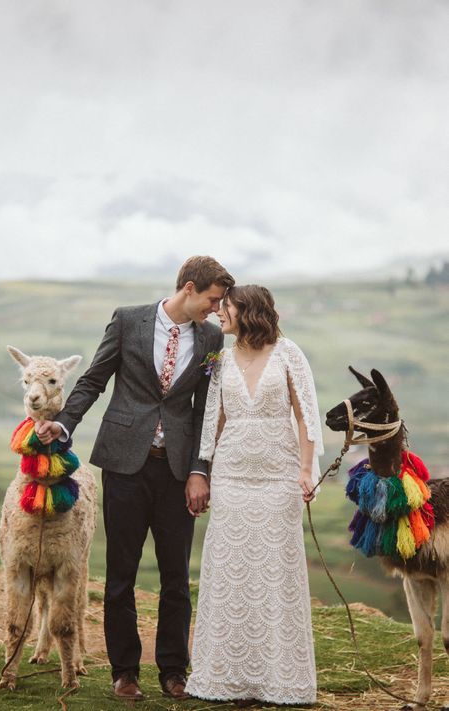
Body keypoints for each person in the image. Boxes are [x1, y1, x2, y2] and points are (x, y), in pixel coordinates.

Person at [35, 256, 235, 701]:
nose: (216, 309)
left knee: (176, 577)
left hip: (179, 471)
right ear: (188, 287)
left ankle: (173, 672)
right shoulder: (128, 321)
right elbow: (94, 379)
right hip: (124, 464)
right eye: (212, 299)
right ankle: (125, 672)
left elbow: (205, 406)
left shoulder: (212, 337)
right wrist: (63, 425)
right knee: (121, 574)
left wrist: (201, 470)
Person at [185, 284, 323, 707]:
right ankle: (224, 676)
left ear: (247, 311)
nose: (218, 315)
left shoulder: (288, 354)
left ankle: (279, 679)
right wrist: (204, 469)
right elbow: (216, 419)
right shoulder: (222, 358)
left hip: (278, 479)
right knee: (228, 572)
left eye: (224, 308)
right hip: (232, 478)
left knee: (274, 574)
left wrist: (304, 469)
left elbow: (306, 416)